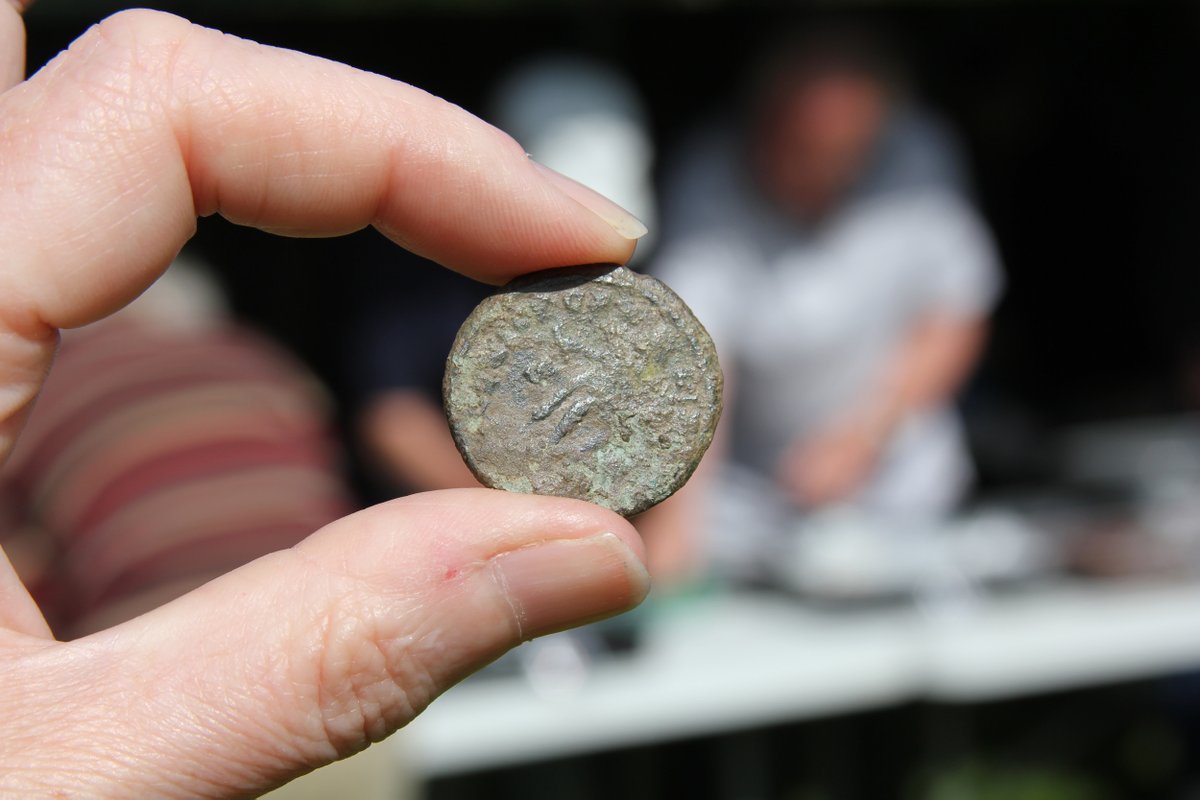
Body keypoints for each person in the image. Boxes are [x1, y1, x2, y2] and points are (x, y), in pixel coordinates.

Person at [0, 5, 650, 796]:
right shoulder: (257, 357)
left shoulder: (43, 398)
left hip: (144, 684)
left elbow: (26, 565)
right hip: (307, 706)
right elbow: (347, 434)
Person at [654, 31, 1002, 583]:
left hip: (905, 490)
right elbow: (694, 358)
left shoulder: (920, 157)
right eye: (803, 149)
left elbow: (956, 311)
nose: (824, 172)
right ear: (763, 125)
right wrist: (675, 528)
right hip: (754, 503)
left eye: (845, 154)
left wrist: (865, 434)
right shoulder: (706, 179)